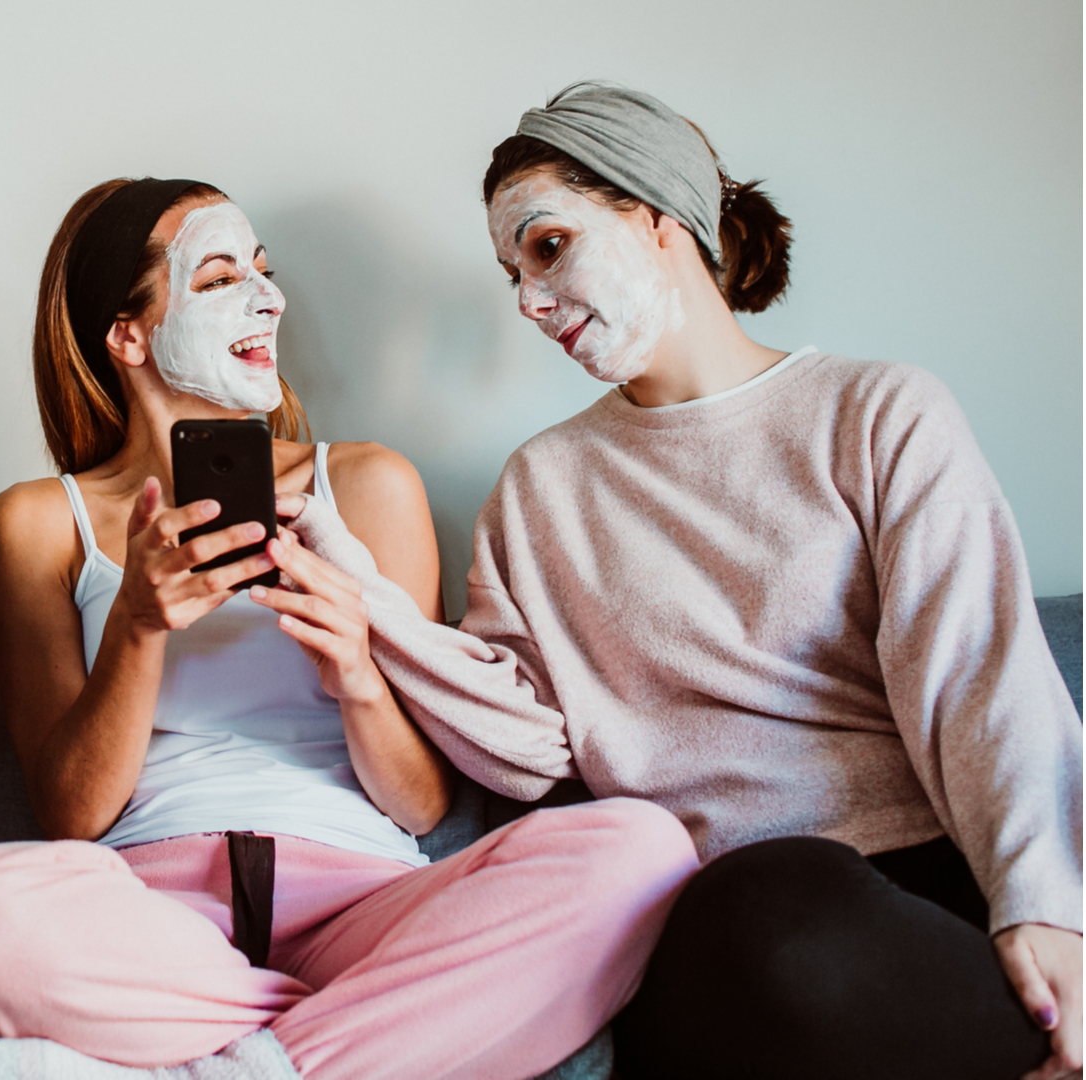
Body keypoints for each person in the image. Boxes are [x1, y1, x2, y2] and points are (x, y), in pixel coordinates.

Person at [285, 84, 1082, 1080]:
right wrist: (357, 590)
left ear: (658, 217)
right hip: (710, 925)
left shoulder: (877, 415)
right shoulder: (542, 486)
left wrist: (1045, 904)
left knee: (801, 921)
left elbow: (980, 677)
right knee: (756, 914)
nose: (528, 302)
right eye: (510, 275)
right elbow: (530, 750)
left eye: (546, 247)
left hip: (912, 897)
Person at [0, 177, 700, 1080]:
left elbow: (424, 805)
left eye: (264, 271)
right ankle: (351, 1046)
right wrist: (135, 626)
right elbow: (72, 814)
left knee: (640, 849)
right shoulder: (39, 523)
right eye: (218, 278)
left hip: (364, 900)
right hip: (149, 916)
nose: (268, 297)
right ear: (127, 335)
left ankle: (225, 1066)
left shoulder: (365, 485)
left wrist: (355, 668)